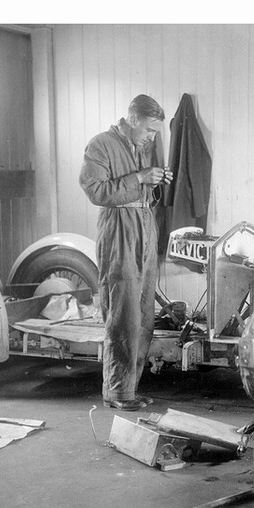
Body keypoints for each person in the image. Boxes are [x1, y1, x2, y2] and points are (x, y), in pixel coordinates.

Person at [80, 95, 173, 411]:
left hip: (144, 225)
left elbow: (138, 187)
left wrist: (154, 181)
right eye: (149, 130)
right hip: (119, 230)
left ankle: (129, 389)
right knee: (123, 315)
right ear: (132, 120)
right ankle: (117, 392)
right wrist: (139, 178)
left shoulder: (140, 147)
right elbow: (96, 191)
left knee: (144, 314)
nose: (152, 138)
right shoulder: (101, 145)